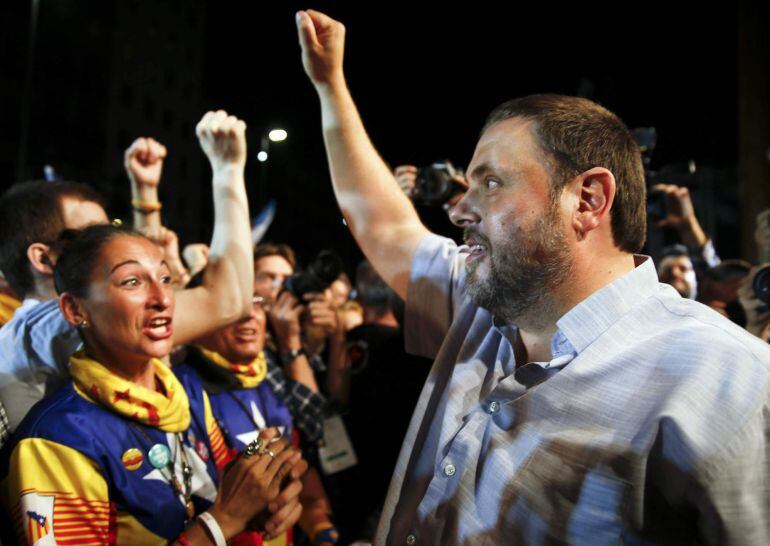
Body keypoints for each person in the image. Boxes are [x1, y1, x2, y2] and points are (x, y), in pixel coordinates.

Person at [295, 9, 770, 545]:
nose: (458, 210)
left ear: (588, 200)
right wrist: (329, 83)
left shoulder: (728, 381)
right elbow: (383, 225)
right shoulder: (480, 307)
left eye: (491, 182)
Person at [1, 224, 306, 545]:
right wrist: (224, 520)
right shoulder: (54, 441)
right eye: (132, 281)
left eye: (165, 279)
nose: (162, 299)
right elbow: (220, 517)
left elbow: (217, 501)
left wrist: (260, 494)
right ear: (75, 309)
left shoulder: (184, 395)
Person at [0, 110, 255, 432]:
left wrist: (145, 195)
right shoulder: (53, 327)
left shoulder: (34, 331)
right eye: (92, 235)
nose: (111, 243)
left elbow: (138, 276)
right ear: (44, 259)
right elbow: (228, 300)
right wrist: (227, 169)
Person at [176, 285, 339, 546]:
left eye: (257, 303)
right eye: (234, 305)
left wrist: (320, 528)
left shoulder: (267, 383)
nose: (249, 315)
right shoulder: (179, 394)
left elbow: (299, 472)